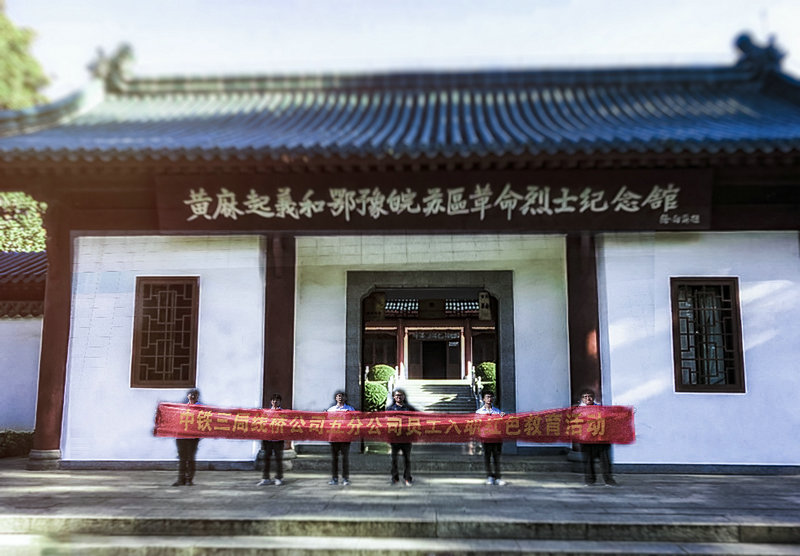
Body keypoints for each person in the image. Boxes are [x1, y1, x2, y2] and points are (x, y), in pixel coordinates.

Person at [578, 389, 617, 486]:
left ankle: (609, 480)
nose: (588, 398)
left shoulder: (600, 408)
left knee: (605, 461)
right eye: (585, 397)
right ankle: (590, 480)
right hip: (586, 440)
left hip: (600, 439)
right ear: (582, 399)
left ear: (594, 397)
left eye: (590, 396)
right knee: (588, 461)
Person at [385, 388, 418, 486]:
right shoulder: (390, 409)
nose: (399, 397)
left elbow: (416, 420)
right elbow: (386, 423)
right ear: (394, 397)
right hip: (394, 438)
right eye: (397, 395)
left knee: (407, 459)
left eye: (400, 395)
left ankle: (407, 478)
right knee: (394, 459)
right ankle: (394, 478)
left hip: (406, 437)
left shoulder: (409, 409)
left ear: (404, 396)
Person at [475, 390, 507, 486]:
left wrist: (503, 417)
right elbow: (477, 425)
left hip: (496, 437)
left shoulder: (497, 411)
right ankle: (490, 476)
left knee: (496, 458)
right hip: (486, 437)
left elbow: (501, 424)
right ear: (483, 399)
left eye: (491, 397)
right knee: (487, 457)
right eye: (487, 397)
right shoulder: (479, 412)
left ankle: (498, 477)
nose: (489, 399)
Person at [173, 388, 200, 486]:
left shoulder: (200, 408)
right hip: (181, 437)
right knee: (182, 458)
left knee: (190, 458)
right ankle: (181, 479)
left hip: (192, 438)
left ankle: (189, 479)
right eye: (190, 394)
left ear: (197, 397)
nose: (192, 396)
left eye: (194, 395)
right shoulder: (182, 407)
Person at [327, 390, 355, 486]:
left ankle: (345, 478)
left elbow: (354, 421)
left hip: (345, 437)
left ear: (345, 398)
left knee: (345, 459)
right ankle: (334, 478)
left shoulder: (350, 409)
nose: (340, 398)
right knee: (334, 459)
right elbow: (327, 423)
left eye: (342, 396)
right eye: (338, 396)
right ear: (336, 398)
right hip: (334, 437)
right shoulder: (331, 410)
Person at [257, 393, 285, 487]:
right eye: (273, 400)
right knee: (266, 459)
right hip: (268, 439)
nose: (275, 402)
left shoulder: (283, 413)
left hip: (278, 439)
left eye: (277, 400)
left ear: (280, 402)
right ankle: (266, 478)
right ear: (271, 402)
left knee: (278, 459)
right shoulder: (266, 413)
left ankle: (278, 478)